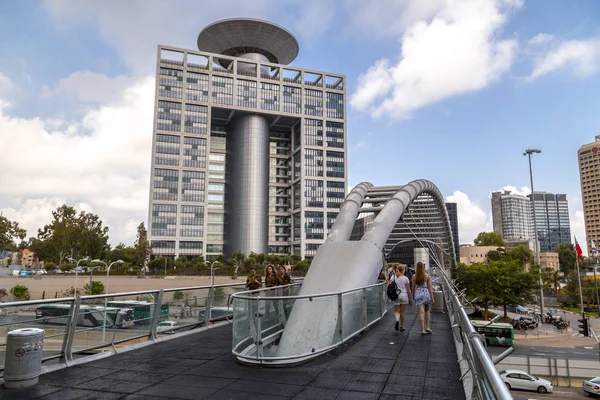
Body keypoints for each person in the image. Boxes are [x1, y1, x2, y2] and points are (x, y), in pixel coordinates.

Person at [412, 261, 435, 335]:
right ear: (423, 267)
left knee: (421, 312)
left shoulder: (414, 276)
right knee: (427, 310)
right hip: (426, 293)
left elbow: (413, 288)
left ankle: (422, 330)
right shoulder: (427, 276)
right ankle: (427, 327)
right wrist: (432, 297)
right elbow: (430, 287)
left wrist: (413, 296)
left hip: (418, 294)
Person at [390, 264, 412, 331]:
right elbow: (408, 290)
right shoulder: (406, 278)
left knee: (397, 311)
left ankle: (397, 320)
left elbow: (389, 285)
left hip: (396, 295)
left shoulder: (393, 277)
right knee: (402, 312)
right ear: (403, 270)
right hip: (404, 295)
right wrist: (410, 298)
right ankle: (402, 326)